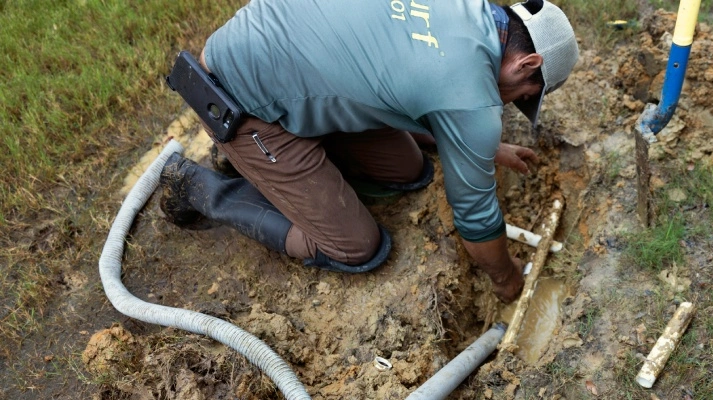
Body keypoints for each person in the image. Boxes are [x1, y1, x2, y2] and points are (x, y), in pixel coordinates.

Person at [159, 0, 579, 302]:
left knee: (409, 169)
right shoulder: (471, 100)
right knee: (358, 247)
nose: (510, 103)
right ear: (528, 63)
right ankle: (199, 184)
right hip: (236, 98)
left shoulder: (463, 11)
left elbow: (414, 80)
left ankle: (277, 163)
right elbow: (476, 218)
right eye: (523, 94)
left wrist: (483, 146)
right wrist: (506, 281)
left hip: (271, 53)